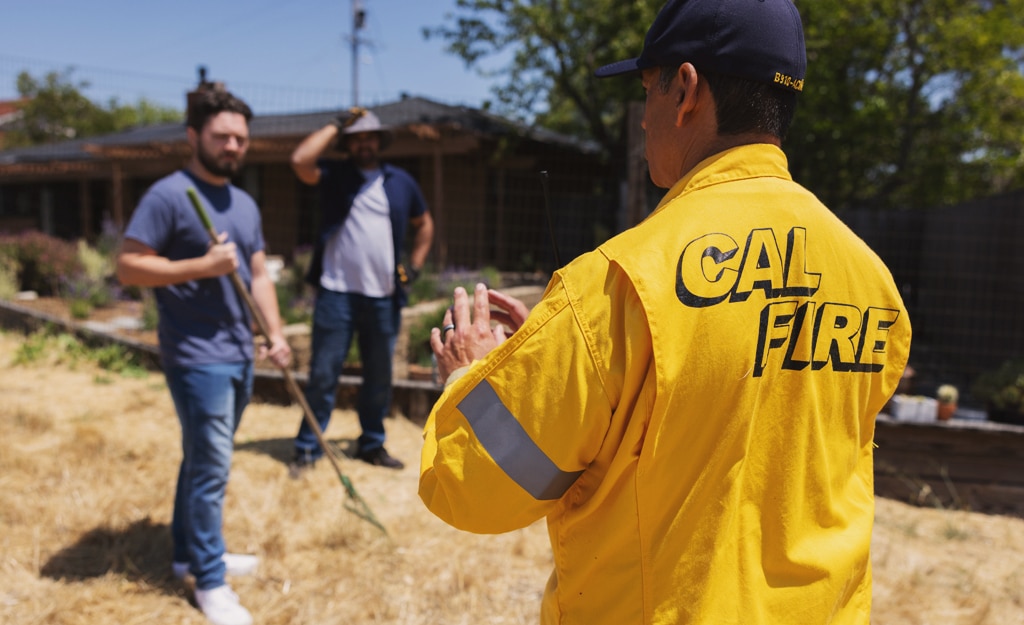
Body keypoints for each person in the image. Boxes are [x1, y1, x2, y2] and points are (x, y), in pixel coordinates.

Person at [419, 0, 912, 623]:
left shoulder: (618, 281)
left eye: (647, 88)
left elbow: (476, 492)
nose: (645, 117)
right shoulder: (870, 277)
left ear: (684, 89)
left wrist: (472, 376)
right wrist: (550, 351)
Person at [117, 87, 291, 625]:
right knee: (212, 466)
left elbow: (258, 274)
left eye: (241, 137)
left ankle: (187, 555)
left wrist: (276, 333)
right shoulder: (169, 195)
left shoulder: (244, 202)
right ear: (193, 136)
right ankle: (210, 584)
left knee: (201, 460)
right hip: (196, 355)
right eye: (222, 136)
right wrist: (201, 265)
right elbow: (128, 266)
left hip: (239, 351)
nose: (234, 145)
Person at [288, 108, 434, 473]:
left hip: (384, 296)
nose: (364, 143)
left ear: (379, 141)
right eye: (357, 137)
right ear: (348, 143)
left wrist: (413, 268)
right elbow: (300, 160)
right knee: (323, 372)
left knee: (379, 376)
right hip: (336, 293)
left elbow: (425, 223)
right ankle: (308, 448)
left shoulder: (400, 181)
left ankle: (371, 444)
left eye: (370, 136)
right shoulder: (335, 175)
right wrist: (338, 124)